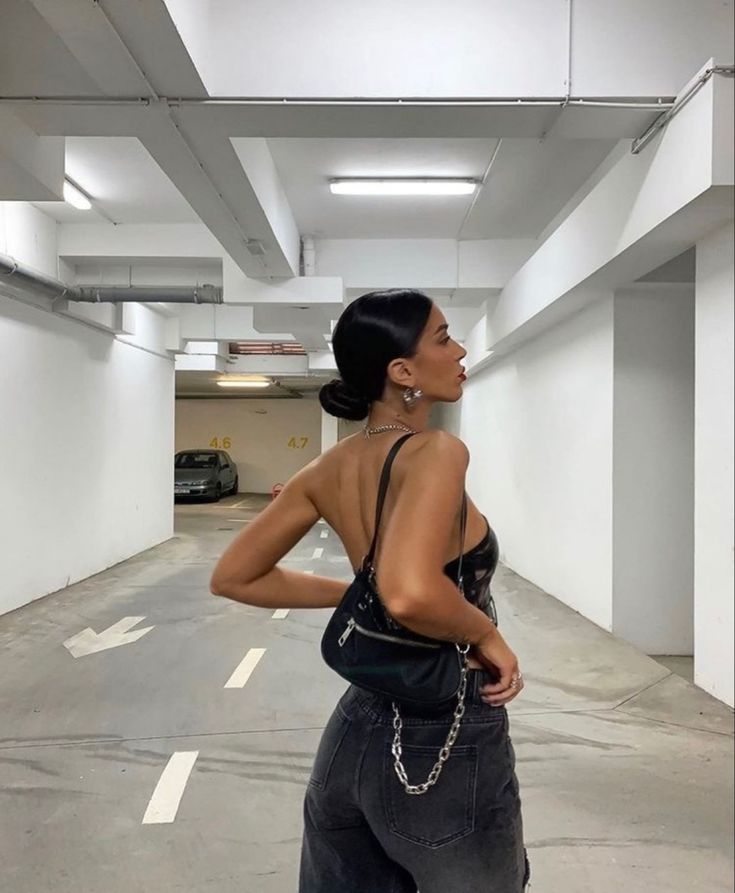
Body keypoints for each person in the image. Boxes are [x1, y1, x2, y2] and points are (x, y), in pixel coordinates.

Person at [210, 289, 530, 892]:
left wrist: (359, 596)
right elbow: (410, 592)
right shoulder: (437, 451)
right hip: (443, 733)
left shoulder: (330, 466)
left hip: (354, 731)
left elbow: (235, 576)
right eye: (442, 337)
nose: (460, 350)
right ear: (402, 371)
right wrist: (487, 633)